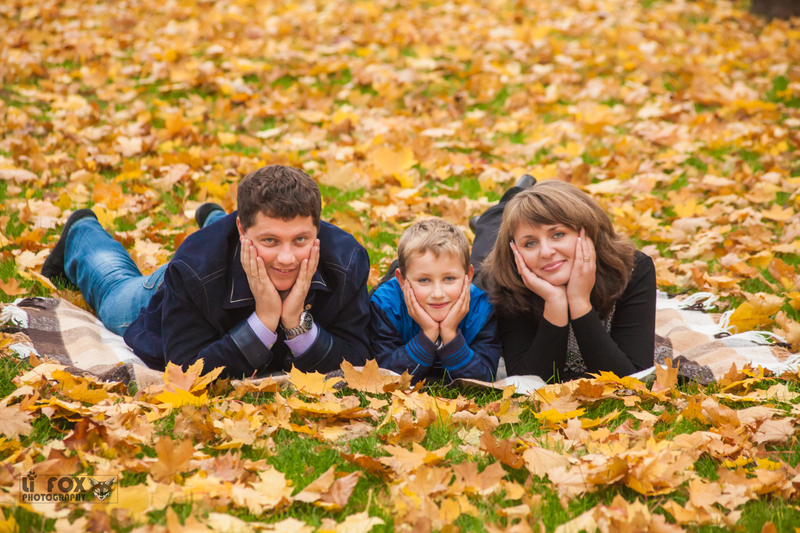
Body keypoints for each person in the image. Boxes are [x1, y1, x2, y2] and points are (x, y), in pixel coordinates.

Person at [41, 165, 371, 379]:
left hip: (222, 250)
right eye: (270, 240)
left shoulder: (347, 260)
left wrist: (296, 322)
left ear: (318, 229)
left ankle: (215, 219)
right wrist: (265, 319)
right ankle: (81, 231)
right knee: (115, 290)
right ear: (242, 231)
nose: (287, 258)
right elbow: (185, 369)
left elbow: (359, 358)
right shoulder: (194, 270)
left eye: (300, 239)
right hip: (175, 286)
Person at [475, 179, 656, 382]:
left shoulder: (633, 269)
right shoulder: (507, 282)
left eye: (558, 234)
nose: (546, 252)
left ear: (588, 230)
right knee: (484, 246)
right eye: (530, 243)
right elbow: (527, 382)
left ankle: (513, 199)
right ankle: (493, 214)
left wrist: (579, 301)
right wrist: (555, 302)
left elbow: (632, 380)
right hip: (489, 268)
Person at [369, 219, 501, 382]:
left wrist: (450, 333)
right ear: (402, 281)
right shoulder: (386, 306)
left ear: (468, 276)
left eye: (449, 278)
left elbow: (484, 378)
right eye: (424, 280)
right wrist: (428, 334)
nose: (438, 294)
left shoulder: (483, 309)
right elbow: (386, 377)